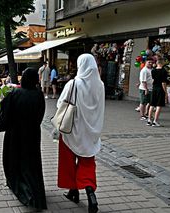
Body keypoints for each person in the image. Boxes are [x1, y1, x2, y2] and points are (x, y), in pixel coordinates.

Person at [57, 54, 104, 213]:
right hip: (91, 131)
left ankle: (73, 191)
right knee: (87, 163)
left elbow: (60, 104)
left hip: (71, 130)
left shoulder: (73, 83)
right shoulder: (100, 85)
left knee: (68, 162)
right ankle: (91, 195)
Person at [0, 68, 46, 210]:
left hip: (15, 134)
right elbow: (40, 115)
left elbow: (5, 115)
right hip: (32, 134)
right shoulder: (39, 94)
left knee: (15, 159)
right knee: (31, 162)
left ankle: (22, 189)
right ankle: (35, 191)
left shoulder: (15, 94)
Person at [147, 59, 168, 127]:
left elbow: (153, 80)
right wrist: (165, 92)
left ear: (157, 63)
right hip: (160, 89)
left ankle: (149, 120)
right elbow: (163, 83)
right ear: (162, 63)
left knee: (152, 104)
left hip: (154, 88)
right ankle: (155, 121)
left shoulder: (153, 70)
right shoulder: (164, 71)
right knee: (159, 105)